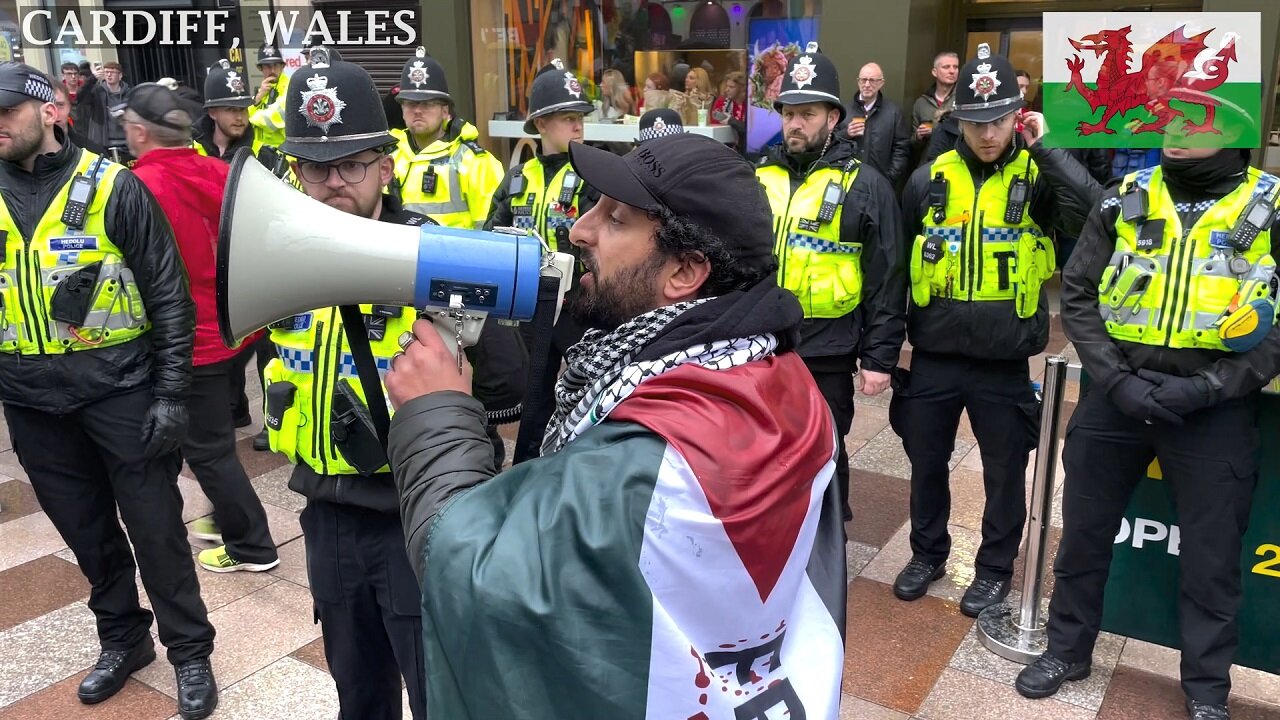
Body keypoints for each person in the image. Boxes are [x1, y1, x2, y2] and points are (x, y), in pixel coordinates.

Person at [387, 131, 847, 720]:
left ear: (684, 271)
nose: (580, 229)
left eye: (616, 219)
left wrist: (437, 413)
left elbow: (472, 571)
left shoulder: (648, 460)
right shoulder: (779, 376)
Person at [265, 47, 524, 720]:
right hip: (325, 517)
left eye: (351, 163)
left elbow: (505, 388)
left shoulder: (437, 259)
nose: (332, 182)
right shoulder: (281, 254)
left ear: (385, 164)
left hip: (412, 522)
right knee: (358, 689)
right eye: (314, 166)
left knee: (438, 686)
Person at [1016, 118, 1280, 720]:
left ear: (1235, 129)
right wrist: (1114, 380)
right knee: (1083, 536)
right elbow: (1078, 291)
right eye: (1172, 116)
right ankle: (1066, 650)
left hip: (1214, 410)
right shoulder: (1125, 194)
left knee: (1212, 559)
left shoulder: (1271, 205)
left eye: (1198, 118)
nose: (1176, 130)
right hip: (1117, 400)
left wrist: (1214, 386)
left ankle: (1207, 687)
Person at [0, 62, 218, 720]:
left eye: (6, 111)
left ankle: (189, 652)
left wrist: (172, 394)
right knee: (88, 534)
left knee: (156, 532)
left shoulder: (112, 187)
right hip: (32, 402)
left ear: (49, 110)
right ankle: (123, 639)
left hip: (121, 392)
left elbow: (170, 297)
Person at [890, 45, 1100, 617]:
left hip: (1005, 359)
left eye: (999, 120)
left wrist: (1050, 149)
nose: (987, 134)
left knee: (1005, 471)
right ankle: (927, 552)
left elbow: (1097, 219)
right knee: (925, 459)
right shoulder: (928, 178)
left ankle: (993, 569)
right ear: (960, 120)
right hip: (933, 352)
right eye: (976, 122)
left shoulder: (1040, 178)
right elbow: (894, 265)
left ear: (1019, 116)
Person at [120, 83, 280, 576]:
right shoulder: (221, 173)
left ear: (140, 132)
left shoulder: (136, 186)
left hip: (186, 341)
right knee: (211, 442)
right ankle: (218, 520)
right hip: (234, 328)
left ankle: (252, 544)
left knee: (208, 452)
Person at [756, 42, 905, 523]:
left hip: (827, 349)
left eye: (807, 113)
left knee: (823, 453)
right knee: (761, 449)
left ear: (833, 118)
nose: (795, 124)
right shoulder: (760, 173)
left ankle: (826, 542)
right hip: (760, 344)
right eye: (788, 113)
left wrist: (879, 357)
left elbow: (887, 276)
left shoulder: (866, 184)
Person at [485, 59, 598, 463]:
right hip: (526, 306)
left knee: (591, 392)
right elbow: (491, 238)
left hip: (580, 306)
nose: (578, 126)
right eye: (568, 118)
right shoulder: (517, 178)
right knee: (533, 399)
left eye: (580, 118)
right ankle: (529, 470)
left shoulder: (594, 176)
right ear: (542, 124)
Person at [391, 46, 504, 228]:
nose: (418, 110)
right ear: (402, 109)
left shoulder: (476, 163)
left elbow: (493, 233)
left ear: (445, 111)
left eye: (427, 104)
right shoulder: (387, 158)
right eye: (410, 103)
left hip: (456, 256)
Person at [841, 61, 912, 188]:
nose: (867, 85)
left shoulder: (894, 112)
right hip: (847, 181)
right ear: (858, 82)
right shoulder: (844, 111)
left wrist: (890, 178)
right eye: (863, 80)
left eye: (872, 80)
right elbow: (830, 143)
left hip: (880, 183)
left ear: (881, 83)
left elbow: (901, 149)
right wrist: (846, 133)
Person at [76, 60, 130, 160]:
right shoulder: (97, 91)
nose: (109, 75)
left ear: (120, 75)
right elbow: (80, 97)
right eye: (106, 72)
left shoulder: (129, 93)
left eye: (112, 72)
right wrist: (92, 78)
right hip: (103, 144)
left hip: (126, 144)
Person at [911, 51, 959, 147]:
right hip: (929, 160)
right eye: (946, 67)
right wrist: (918, 136)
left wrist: (934, 131)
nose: (952, 71)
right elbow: (912, 143)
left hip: (955, 158)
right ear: (934, 72)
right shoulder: (921, 103)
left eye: (956, 67)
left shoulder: (963, 99)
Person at [248, 43, 289, 148]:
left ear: (282, 66)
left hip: (283, 155)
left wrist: (245, 122)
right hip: (262, 154)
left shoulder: (289, 88)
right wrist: (257, 98)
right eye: (267, 66)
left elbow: (270, 118)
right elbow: (246, 112)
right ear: (261, 68)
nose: (272, 71)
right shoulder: (263, 89)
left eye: (276, 65)